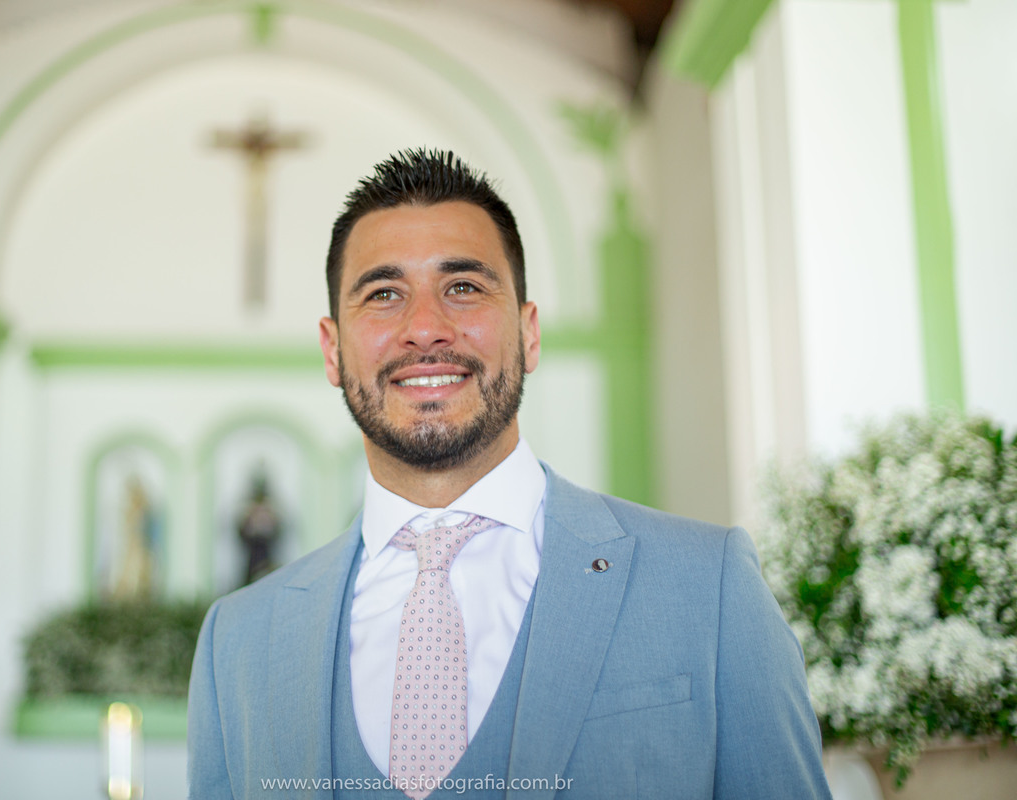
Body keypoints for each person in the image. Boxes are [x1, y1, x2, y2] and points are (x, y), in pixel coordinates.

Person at [187, 149, 831, 799]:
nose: (425, 329)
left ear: (529, 333)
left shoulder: (708, 585)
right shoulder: (237, 643)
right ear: (332, 348)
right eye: (384, 295)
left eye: (463, 287)